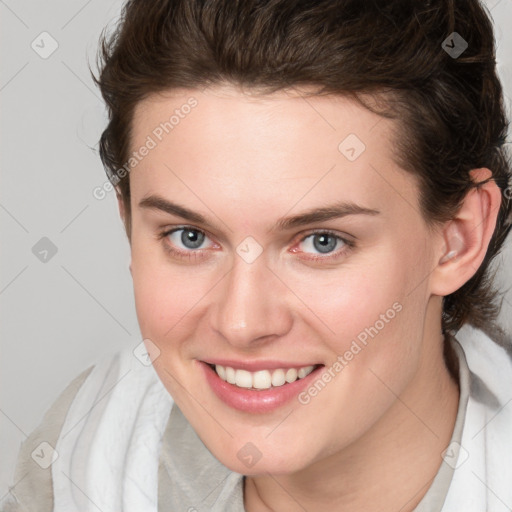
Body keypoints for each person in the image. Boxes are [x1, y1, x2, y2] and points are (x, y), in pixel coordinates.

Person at [3, 0, 512, 510]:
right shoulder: (80, 457)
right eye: (190, 236)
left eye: (321, 242)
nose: (242, 323)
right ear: (129, 223)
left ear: (457, 239)